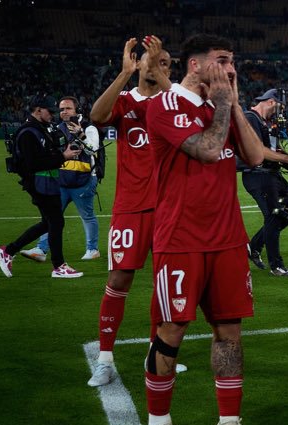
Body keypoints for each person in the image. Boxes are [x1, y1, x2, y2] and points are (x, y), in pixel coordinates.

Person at [140, 34, 266, 425]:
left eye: (233, 61)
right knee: (171, 329)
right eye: (223, 60)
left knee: (229, 331)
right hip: (180, 240)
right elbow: (209, 150)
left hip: (228, 240)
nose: (231, 68)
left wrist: (231, 100)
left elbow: (255, 157)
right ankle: (158, 424)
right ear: (195, 65)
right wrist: (225, 104)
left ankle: (229, 421)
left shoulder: (221, 107)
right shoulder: (164, 106)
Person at [85, 35, 176, 387]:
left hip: (170, 209)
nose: (156, 66)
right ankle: (105, 358)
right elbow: (96, 115)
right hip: (131, 208)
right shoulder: (125, 102)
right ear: (137, 63)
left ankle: (158, 353)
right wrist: (125, 73)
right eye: (151, 60)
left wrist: (159, 73)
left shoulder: (174, 103)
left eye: (165, 62)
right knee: (119, 279)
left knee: (163, 284)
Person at [0, 98, 83, 279]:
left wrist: (64, 151)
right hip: (40, 183)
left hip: (46, 182)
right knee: (56, 222)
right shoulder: (28, 132)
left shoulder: (38, 129)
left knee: (48, 222)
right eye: (49, 111)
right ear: (38, 110)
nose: (52, 115)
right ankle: (58, 266)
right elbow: (33, 164)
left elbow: (45, 155)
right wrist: (63, 156)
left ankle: (8, 251)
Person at [240, 89, 288, 277]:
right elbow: (259, 150)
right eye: (280, 107)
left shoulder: (266, 122)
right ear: (272, 102)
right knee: (274, 216)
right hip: (257, 175)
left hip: (273, 174)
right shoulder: (250, 118)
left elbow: (274, 149)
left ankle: (253, 247)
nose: (280, 113)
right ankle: (276, 266)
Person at [21, 96, 102, 262]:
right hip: (62, 180)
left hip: (83, 180)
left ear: (76, 110)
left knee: (87, 216)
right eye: (62, 109)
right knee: (52, 217)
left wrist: (81, 134)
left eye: (68, 108)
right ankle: (41, 249)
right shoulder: (56, 128)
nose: (64, 112)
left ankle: (92, 249)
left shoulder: (88, 127)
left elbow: (93, 150)